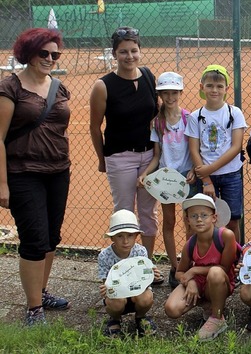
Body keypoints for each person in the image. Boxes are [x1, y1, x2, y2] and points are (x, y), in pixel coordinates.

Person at [0, 28, 72, 326]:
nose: (50, 59)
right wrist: (2, 183)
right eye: (44, 53)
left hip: (58, 171)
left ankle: (41, 292)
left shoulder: (59, 87)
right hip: (23, 173)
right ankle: (33, 309)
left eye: (55, 54)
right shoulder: (10, 88)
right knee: (34, 238)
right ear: (28, 52)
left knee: (51, 237)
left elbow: (60, 129)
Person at [89, 27, 160, 268]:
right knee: (124, 215)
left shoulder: (149, 76)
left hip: (149, 156)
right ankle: (124, 268)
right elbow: (95, 126)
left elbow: (157, 115)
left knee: (149, 214)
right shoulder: (103, 85)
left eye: (133, 50)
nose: (129, 56)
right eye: (123, 52)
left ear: (140, 51)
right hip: (120, 157)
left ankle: (145, 265)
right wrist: (102, 159)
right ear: (114, 54)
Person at [138, 71, 195, 289]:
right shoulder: (157, 123)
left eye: (174, 92)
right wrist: (145, 174)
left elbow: (194, 149)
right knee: (169, 222)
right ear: (159, 94)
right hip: (165, 179)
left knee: (190, 223)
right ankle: (175, 266)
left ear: (180, 92)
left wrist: (195, 172)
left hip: (186, 178)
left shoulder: (188, 119)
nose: (170, 97)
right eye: (165, 93)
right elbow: (156, 156)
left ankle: (188, 261)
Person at [164, 193, 237, 341]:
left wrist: (194, 270)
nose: (199, 219)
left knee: (215, 273)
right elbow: (179, 273)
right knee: (171, 309)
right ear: (187, 220)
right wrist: (190, 282)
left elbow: (224, 268)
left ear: (214, 218)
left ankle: (217, 319)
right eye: (193, 216)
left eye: (204, 215)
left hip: (219, 282)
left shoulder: (226, 236)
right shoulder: (190, 244)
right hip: (198, 283)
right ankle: (207, 304)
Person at [186, 65, 246, 241]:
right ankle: (208, 258)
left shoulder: (234, 113)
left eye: (220, 86)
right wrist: (206, 180)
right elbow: (193, 149)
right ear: (201, 87)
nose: (214, 90)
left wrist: (209, 169)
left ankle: (235, 260)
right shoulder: (195, 116)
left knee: (233, 220)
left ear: (226, 89)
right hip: (205, 179)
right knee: (204, 223)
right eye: (210, 85)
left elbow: (236, 147)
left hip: (231, 176)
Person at [98, 210, 159, 337]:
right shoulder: (104, 256)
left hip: (138, 293)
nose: (125, 241)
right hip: (118, 296)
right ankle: (115, 319)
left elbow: (145, 277)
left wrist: (152, 274)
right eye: (120, 236)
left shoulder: (141, 251)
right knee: (115, 302)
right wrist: (106, 289)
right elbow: (107, 283)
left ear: (136, 235)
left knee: (147, 297)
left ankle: (141, 317)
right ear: (112, 237)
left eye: (130, 236)